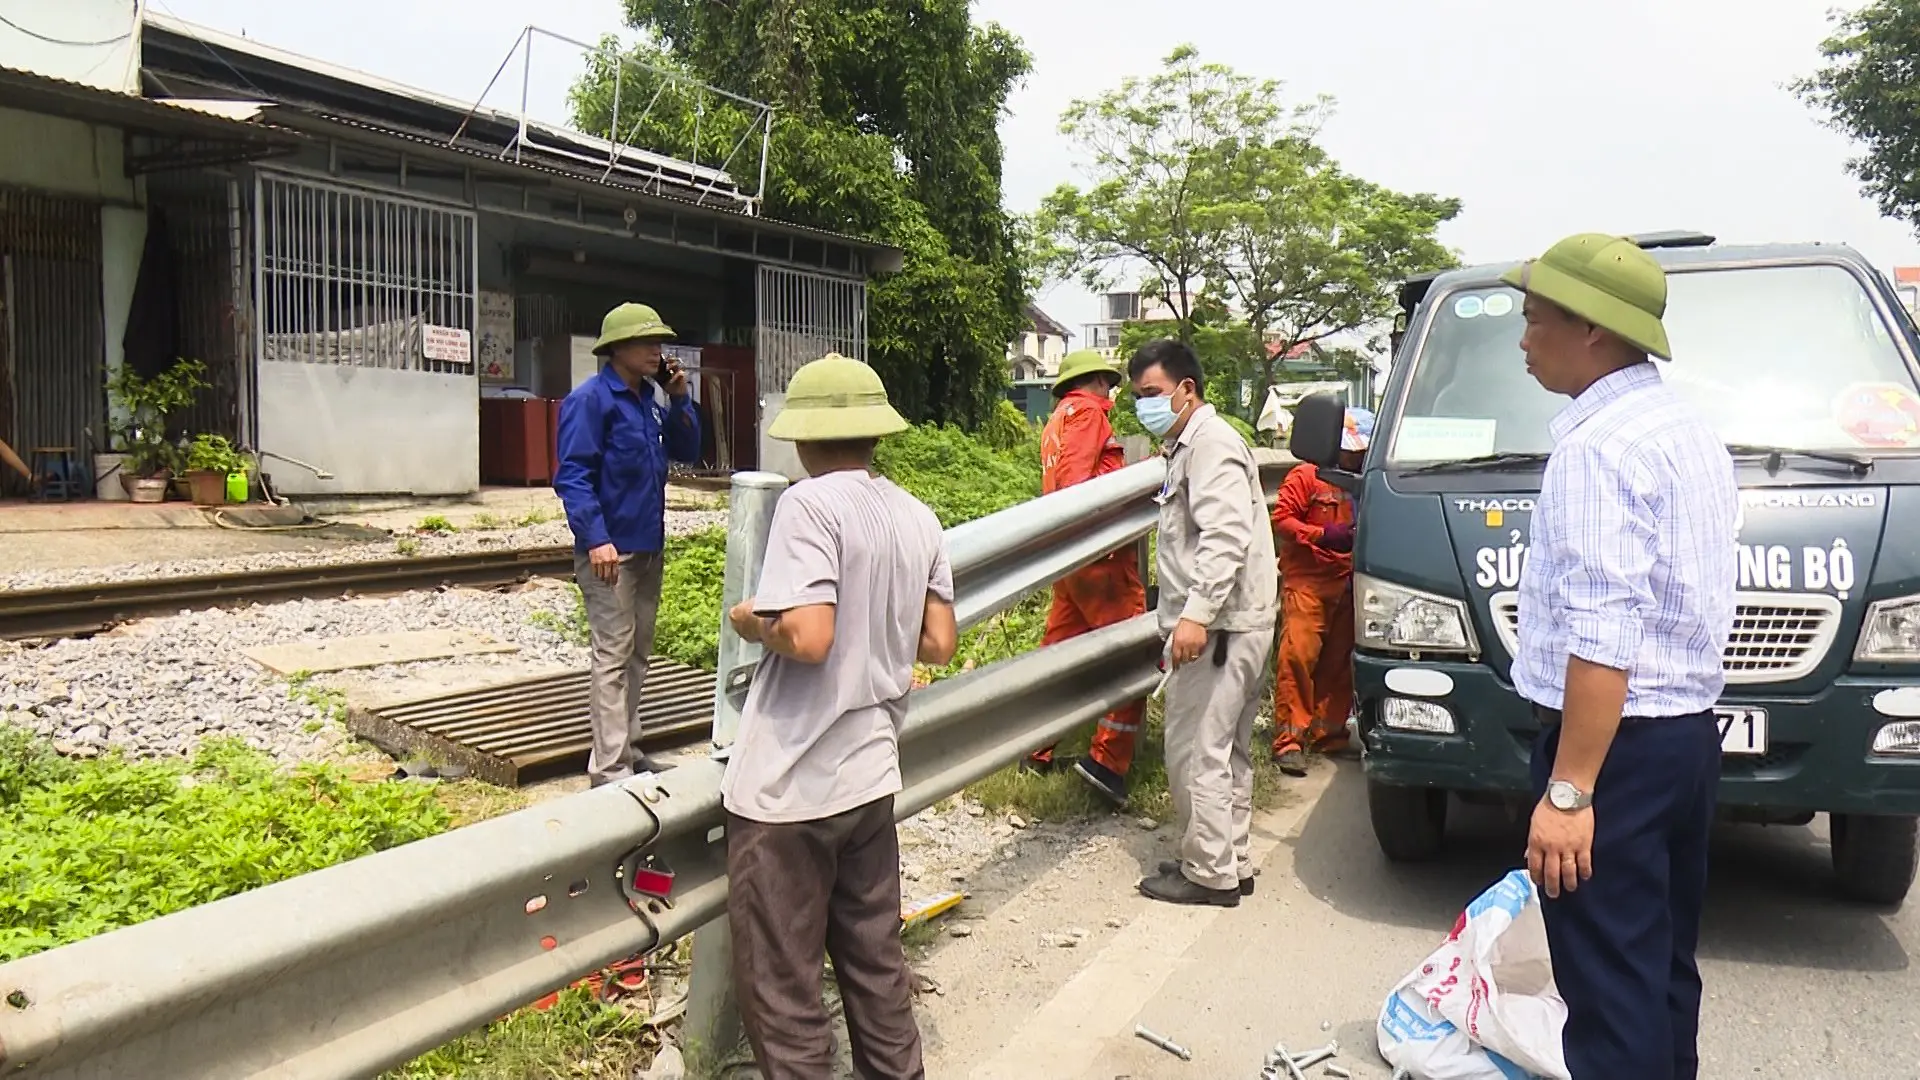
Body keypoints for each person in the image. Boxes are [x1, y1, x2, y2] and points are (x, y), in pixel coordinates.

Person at [1504, 234, 1738, 1080]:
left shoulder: (1597, 448)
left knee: (1605, 988)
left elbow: (1604, 634)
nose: (1523, 341)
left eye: (1535, 321)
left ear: (1594, 329)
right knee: (1663, 961)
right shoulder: (1685, 428)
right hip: (1681, 739)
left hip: (1614, 749)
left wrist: (1569, 793)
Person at [720, 353, 959, 1079]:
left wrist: (754, 618)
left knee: (785, 987)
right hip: (870, 775)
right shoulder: (916, 514)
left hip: (791, 786)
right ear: (873, 434)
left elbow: (810, 635)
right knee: (875, 964)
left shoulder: (809, 504)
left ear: (805, 436)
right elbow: (940, 643)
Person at [1127, 339, 1279, 907]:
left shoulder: (1210, 446)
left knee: (1195, 750)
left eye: (1153, 395)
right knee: (1227, 750)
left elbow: (1223, 538)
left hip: (1218, 627)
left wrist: (1194, 616)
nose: (1145, 406)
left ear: (1186, 390)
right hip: (1234, 622)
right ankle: (1228, 859)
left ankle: (1208, 872)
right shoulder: (1191, 445)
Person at [553, 302, 702, 787]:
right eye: (647, 342)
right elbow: (573, 476)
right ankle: (609, 769)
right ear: (617, 348)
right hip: (610, 553)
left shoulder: (648, 402)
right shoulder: (591, 401)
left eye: (659, 342)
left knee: (638, 651)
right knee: (612, 654)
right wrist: (595, 539)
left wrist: (679, 399)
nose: (656, 350)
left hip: (647, 547)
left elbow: (688, 452)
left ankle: (629, 751)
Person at [1024, 349, 1150, 805]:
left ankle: (1034, 748)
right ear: (1096, 381)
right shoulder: (1090, 414)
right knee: (1134, 654)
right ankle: (1107, 763)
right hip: (1102, 557)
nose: (1112, 392)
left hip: (1071, 558)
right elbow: (1081, 487)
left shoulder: (1058, 419)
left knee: (1058, 655)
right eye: (1110, 384)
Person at [1268, 408, 1370, 777]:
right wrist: (1322, 536)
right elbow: (1282, 519)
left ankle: (1328, 732)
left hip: (1346, 583)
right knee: (1298, 658)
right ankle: (1289, 741)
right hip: (1308, 583)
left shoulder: (1362, 481)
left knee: (1340, 663)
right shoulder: (1306, 477)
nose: (1356, 457)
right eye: (1351, 451)